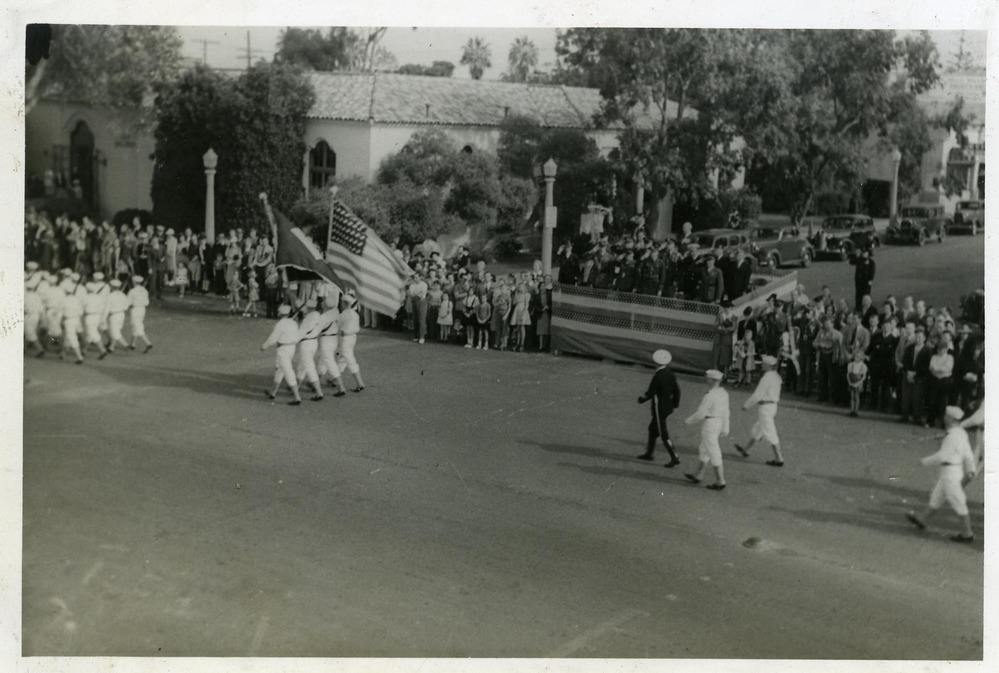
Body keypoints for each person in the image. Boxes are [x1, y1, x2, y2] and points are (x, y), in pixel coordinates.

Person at [905, 406, 977, 543]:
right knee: (936, 497)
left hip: (950, 473)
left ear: (950, 419)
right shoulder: (961, 433)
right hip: (951, 471)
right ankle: (921, 520)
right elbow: (968, 453)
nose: (944, 418)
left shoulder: (952, 436)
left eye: (946, 416)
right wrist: (971, 469)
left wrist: (924, 461)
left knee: (958, 502)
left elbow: (942, 456)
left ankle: (968, 534)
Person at [684, 369, 730, 490]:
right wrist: (726, 426)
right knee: (704, 449)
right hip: (718, 422)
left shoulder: (710, 396)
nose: (706, 379)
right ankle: (698, 475)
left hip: (710, 424)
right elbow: (726, 411)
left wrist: (688, 421)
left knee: (713, 450)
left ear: (712, 380)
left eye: (708, 378)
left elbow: (701, 413)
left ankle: (720, 480)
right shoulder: (723, 393)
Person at [734, 354, 785, 466]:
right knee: (759, 428)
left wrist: (746, 405)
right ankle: (747, 449)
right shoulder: (776, 376)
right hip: (772, 406)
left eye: (764, 364)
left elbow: (757, 395)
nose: (762, 365)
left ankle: (779, 458)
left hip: (765, 407)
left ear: (768, 365)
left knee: (770, 432)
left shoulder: (766, 378)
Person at [636, 349, 682, 467]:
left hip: (659, 408)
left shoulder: (658, 376)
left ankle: (674, 456)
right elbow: (677, 391)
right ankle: (649, 453)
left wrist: (642, 399)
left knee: (663, 434)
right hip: (667, 406)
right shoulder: (670, 373)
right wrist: (674, 404)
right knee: (652, 429)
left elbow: (651, 392)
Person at [261, 304, 303, 405]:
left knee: (288, 371)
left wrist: (264, 346)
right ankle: (272, 392)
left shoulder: (280, 324)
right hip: (292, 348)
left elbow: (273, 338)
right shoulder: (294, 323)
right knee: (281, 370)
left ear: (280, 314)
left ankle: (297, 397)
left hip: (283, 349)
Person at [292, 298, 325, 402]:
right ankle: (296, 386)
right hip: (314, 341)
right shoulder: (318, 315)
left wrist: (291, 340)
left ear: (309, 307)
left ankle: (319, 392)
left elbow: (301, 333)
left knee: (309, 366)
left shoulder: (308, 319)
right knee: (303, 365)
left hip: (306, 343)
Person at [316, 294, 347, 397]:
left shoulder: (323, 317)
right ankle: (316, 382)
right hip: (334, 339)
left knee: (329, 361)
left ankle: (341, 387)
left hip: (326, 339)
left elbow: (317, 329)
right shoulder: (336, 312)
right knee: (323, 360)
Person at [337, 291, 366, 392]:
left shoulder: (343, 314)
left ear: (345, 303)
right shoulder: (355, 314)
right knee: (343, 358)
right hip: (353, 337)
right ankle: (334, 379)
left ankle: (360, 382)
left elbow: (338, 326)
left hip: (345, 338)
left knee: (349, 359)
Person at [82, 282, 109, 359]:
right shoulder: (99, 297)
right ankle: (84, 350)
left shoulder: (85, 298)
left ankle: (102, 350)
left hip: (89, 316)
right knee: (90, 333)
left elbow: (81, 308)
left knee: (93, 333)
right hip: (97, 316)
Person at [126, 275, 153, 353]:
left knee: (136, 326)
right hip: (142, 309)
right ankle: (133, 344)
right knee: (138, 325)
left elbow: (128, 302)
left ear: (134, 282)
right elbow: (147, 302)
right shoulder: (145, 291)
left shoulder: (132, 291)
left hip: (135, 309)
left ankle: (148, 343)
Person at [106, 279, 130, 352]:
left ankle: (126, 345)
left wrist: (104, 316)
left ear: (112, 287)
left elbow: (107, 308)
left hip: (114, 315)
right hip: (121, 314)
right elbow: (126, 305)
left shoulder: (110, 296)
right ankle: (111, 347)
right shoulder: (123, 295)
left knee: (115, 332)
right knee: (116, 330)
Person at [846, 349, 868, 417]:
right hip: (851, 382)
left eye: (858, 357)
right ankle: (852, 410)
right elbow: (848, 374)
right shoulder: (851, 365)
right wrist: (849, 381)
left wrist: (859, 382)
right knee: (852, 396)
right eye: (855, 357)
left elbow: (864, 376)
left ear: (861, 358)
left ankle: (856, 411)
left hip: (858, 382)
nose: (856, 358)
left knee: (857, 396)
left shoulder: (863, 366)